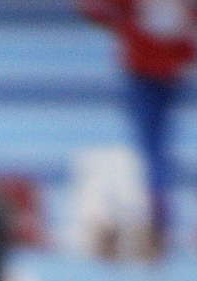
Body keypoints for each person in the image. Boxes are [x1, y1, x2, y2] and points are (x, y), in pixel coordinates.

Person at [79, 2, 196, 256]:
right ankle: (157, 213)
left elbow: (95, 12)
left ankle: (155, 214)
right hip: (166, 65)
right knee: (156, 147)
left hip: (146, 67)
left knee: (152, 147)